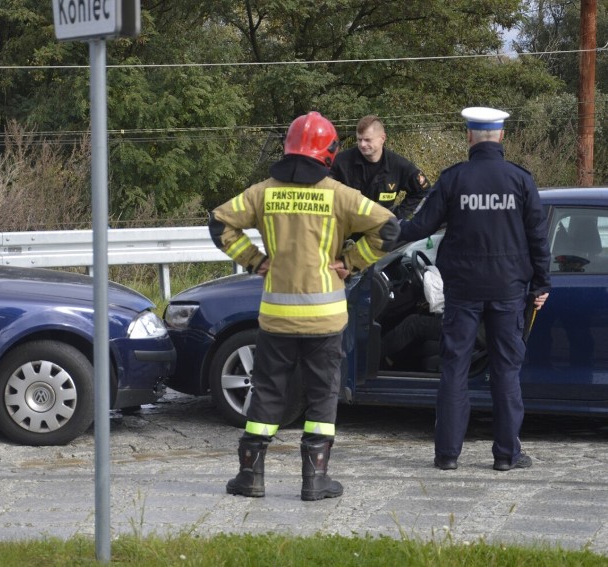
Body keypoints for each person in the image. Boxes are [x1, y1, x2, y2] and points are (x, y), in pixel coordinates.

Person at [209, 111, 399, 500]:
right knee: (322, 393)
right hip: (325, 319)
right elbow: (391, 228)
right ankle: (315, 480)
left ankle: (250, 477)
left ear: (288, 148)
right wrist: (351, 261)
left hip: (276, 318)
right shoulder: (339, 195)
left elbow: (219, 224)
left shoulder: (262, 192)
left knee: (266, 392)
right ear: (327, 153)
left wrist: (254, 259)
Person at [397, 107, 551, 472]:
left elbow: (419, 227)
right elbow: (538, 238)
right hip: (509, 291)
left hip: (463, 291)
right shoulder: (520, 180)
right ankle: (506, 455)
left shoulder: (453, 179)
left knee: (454, 369)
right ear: (501, 137)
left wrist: (380, 228)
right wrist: (542, 283)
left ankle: (447, 455)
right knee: (506, 371)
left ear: (469, 137)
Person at [329, 115, 431, 220]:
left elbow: (422, 190)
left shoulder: (398, 165)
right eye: (359, 140)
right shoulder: (340, 162)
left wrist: (397, 216)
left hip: (380, 230)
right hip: (347, 229)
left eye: (368, 140)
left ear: (382, 138)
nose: (362, 144)